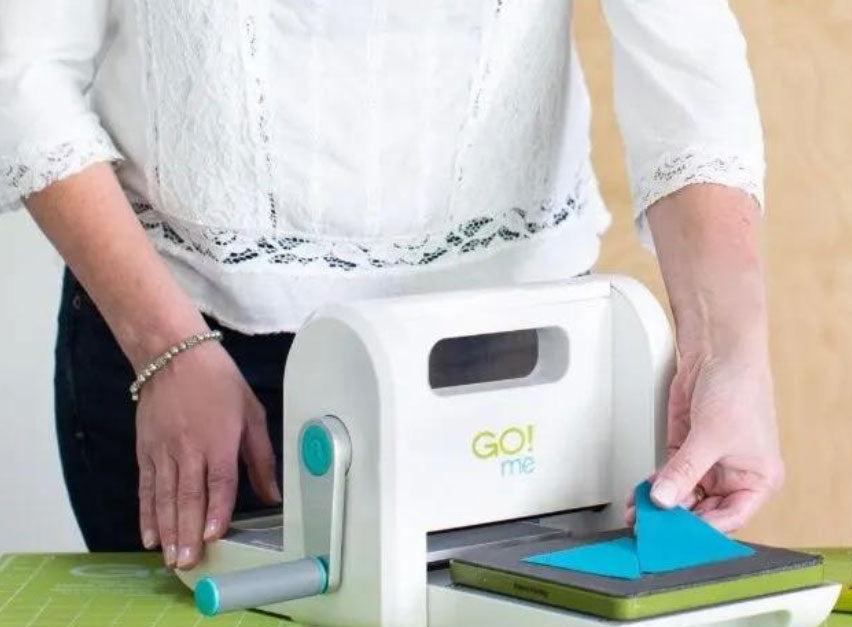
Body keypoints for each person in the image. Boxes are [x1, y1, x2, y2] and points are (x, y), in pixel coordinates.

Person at [0, 0, 783, 569]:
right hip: (193, 358)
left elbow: (688, 63)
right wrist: (166, 346)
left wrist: (728, 356)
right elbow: (23, 68)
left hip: (516, 364)